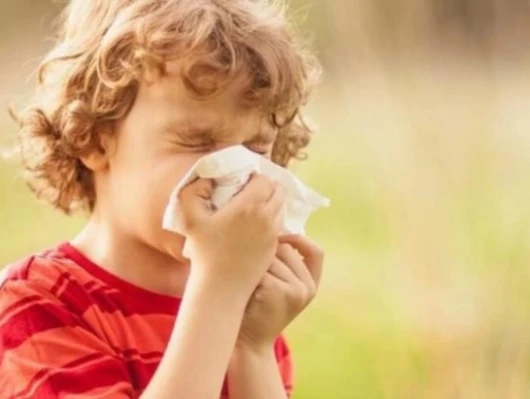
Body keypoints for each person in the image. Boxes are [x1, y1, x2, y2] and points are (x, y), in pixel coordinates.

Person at [0, 0, 324, 398]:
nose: (234, 172)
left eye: (257, 148)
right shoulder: (37, 306)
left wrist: (252, 348)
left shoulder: (250, 313)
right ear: (95, 138)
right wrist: (220, 289)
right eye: (197, 141)